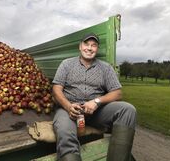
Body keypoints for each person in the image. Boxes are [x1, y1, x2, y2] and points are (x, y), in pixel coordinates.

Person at [52, 33, 137, 161]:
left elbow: (117, 92)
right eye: (86, 44)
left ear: (97, 49)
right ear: (80, 47)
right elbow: (56, 89)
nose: (90, 48)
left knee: (128, 110)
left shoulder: (106, 68)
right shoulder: (66, 64)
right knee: (64, 131)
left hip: (96, 112)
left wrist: (97, 101)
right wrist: (68, 106)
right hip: (69, 110)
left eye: (94, 45)